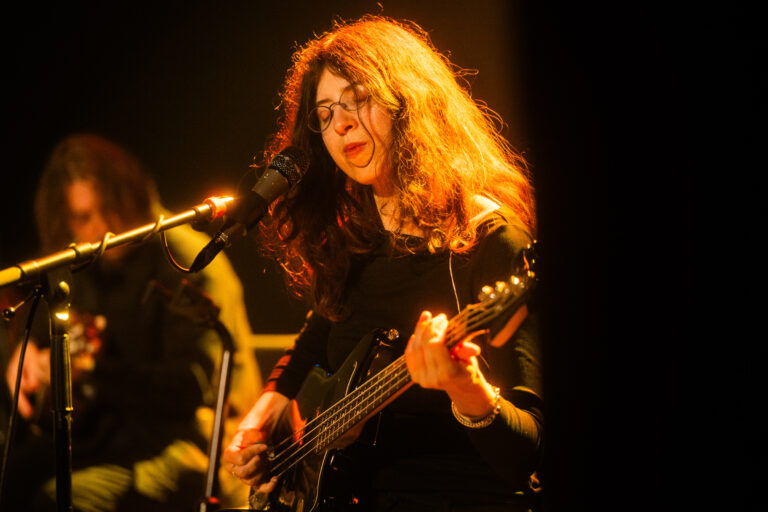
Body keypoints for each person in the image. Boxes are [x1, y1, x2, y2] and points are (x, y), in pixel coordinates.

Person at [223, 15, 542, 512]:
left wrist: (466, 388)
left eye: (357, 100)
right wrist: (267, 409)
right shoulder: (357, 238)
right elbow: (318, 335)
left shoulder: (489, 243)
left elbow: (529, 455)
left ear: (409, 103)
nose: (341, 124)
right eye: (325, 114)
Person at [1, 134, 261, 511]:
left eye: (112, 208)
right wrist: (27, 362)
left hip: (195, 447)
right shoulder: (82, 263)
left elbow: (190, 390)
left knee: (63, 501)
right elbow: (41, 335)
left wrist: (94, 374)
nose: (104, 228)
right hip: (111, 440)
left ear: (133, 196)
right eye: (84, 217)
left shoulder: (187, 262)